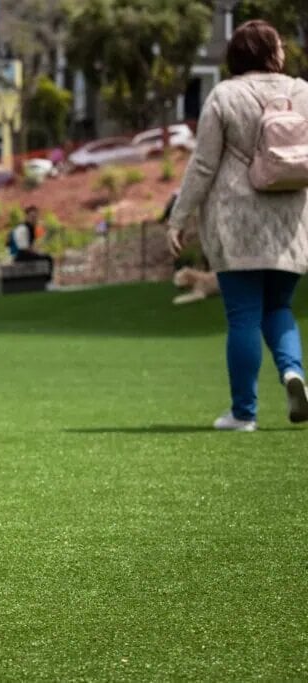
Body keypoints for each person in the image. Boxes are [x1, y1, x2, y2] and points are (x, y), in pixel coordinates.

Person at [167, 19, 308, 432]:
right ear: (273, 52)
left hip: (236, 221)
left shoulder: (224, 96)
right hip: (291, 221)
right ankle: (292, 372)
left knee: (243, 316)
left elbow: (204, 165)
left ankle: (244, 413)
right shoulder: (302, 92)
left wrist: (178, 218)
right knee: (278, 307)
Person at [7, 205, 54, 283]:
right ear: (27, 216)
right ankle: (48, 282)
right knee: (47, 258)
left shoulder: (31, 228)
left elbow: (32, 245)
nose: (34, 219)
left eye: (36, 216)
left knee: (46, 257)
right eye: (32, 216)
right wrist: (36, 252)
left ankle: (45, 281)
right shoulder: (22, 228)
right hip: (20, 256)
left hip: (26, 254)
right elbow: (24, 248)